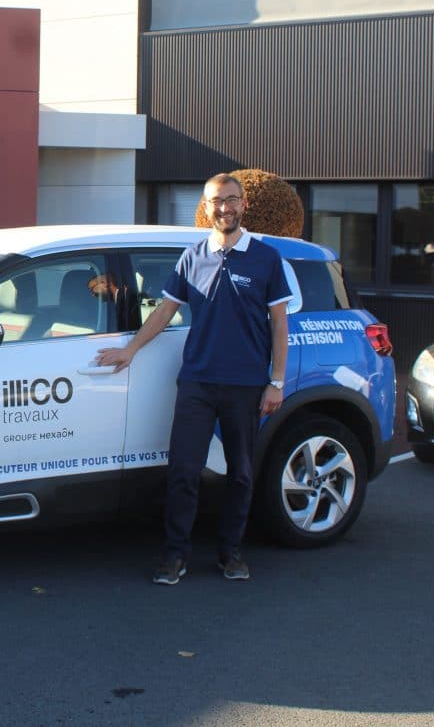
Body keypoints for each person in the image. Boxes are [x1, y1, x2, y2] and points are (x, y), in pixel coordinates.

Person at [95, 173, 291, 584]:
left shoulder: (266, 258)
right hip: (198, 382)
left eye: (232, 200)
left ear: (244, 204)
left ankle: (231, 553)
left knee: (240, 472)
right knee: (183, 470)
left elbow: (278, 324)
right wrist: (131, 350)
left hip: (245, 385)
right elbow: (165, 311)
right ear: (206, 207)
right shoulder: (192, 256)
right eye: (218, 201)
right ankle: (175, 555)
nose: (226, 208)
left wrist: (276, 381)